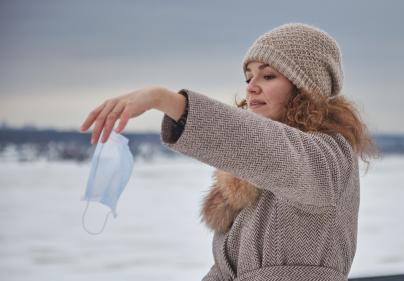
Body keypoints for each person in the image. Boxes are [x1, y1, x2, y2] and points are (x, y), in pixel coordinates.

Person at [80, 23, 377, 281]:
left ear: (304, 87)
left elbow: (269, 148)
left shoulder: (327, 160)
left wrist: (164, 100)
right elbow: (226, 272)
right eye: (248, 77)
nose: (251, 88)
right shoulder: (251, 180)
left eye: (268, 76)